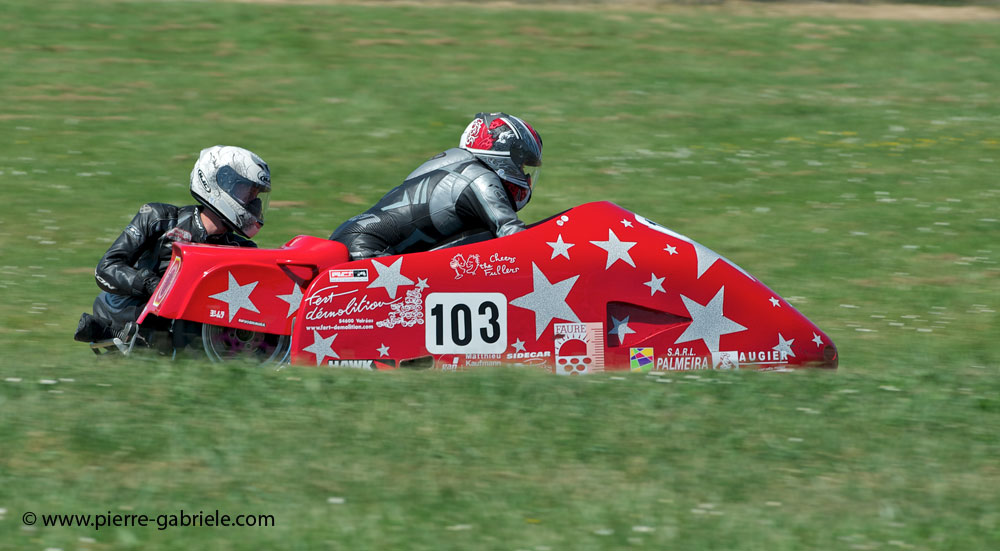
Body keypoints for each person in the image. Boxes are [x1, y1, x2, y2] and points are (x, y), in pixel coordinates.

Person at [74, 145, 272, 346]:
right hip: (131, 317)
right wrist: (153, 285)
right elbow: (106, 268)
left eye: (256, 196)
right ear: (217, 182)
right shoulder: (157, 218)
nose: (253, 204)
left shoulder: (244, 250)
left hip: (194, 335)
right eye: (247, 192)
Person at [330, 112, 542, 260]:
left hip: (357, 238)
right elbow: (514, 237)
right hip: (367, 247)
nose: (524, 174)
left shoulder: (457, 164)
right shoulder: (479, 178)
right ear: (505, 154)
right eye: (521, 163)